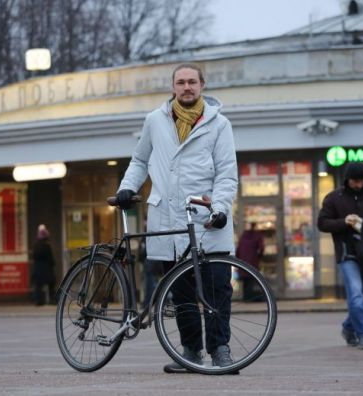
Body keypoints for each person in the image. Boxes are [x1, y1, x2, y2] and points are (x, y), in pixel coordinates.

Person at [115, 63, 238, 373]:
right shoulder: (155, 121)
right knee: (181, 293)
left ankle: (221, 350)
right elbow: (140, 159)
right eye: (181, 82)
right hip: (168, 219)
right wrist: (127, 188)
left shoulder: (219, 124)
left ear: (202, 85)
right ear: (173, 87)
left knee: (217, 291)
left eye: (192, 82)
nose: (187, 87)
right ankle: (190, 352)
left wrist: (221, 208)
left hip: (208, 219)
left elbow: (226, 172)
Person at [317, 162, 363, 350]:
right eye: (354, 181)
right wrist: (344, 222)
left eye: (361, 181)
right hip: (347, 254)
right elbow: (322, 223)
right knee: (356, 294)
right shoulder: (334, 198)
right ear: (347, 180)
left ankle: (348, 328)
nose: (358, 184)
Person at [236, 222, 264, 300]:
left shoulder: (243, 236)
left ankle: (246, 297)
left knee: (245, 280)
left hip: (243, 261)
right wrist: (259, 256)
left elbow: (238, 249)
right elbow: (261, 248)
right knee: (251, 278)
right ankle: (251, 297)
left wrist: (238, 259)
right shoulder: (258, 236)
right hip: (253, 260)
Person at [31, 224, 56, 306]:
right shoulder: (46, 245)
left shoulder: (35, 245)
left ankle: (38, 301)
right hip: (47, 268)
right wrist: (52, 264)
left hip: (37, 268)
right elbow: (50, 258)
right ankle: (52, 300)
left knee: (38, 286)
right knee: (51, 284)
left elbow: (34, 256)